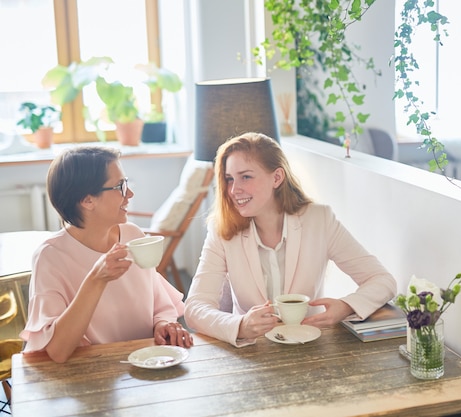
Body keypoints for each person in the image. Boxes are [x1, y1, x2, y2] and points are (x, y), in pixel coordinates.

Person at [184, 132, 397, 346]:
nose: (233, 189)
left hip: (310, 348)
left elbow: (383, 280)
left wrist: (347, 306)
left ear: (277, 177)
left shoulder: (319, 220)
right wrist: (240, 325)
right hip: (253, 353)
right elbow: (194, 308)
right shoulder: (222, 230)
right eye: (230, 178)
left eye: (246, 177)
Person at [20, 146, 193, 363]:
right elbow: (58, 351)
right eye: (120, 186)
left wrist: (162, 324)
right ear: (87, 200)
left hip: (149, 363)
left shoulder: (133, 235)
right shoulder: (50, 257)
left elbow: (159, 303)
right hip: (94, 373)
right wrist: (96, 279)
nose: (130, 194)